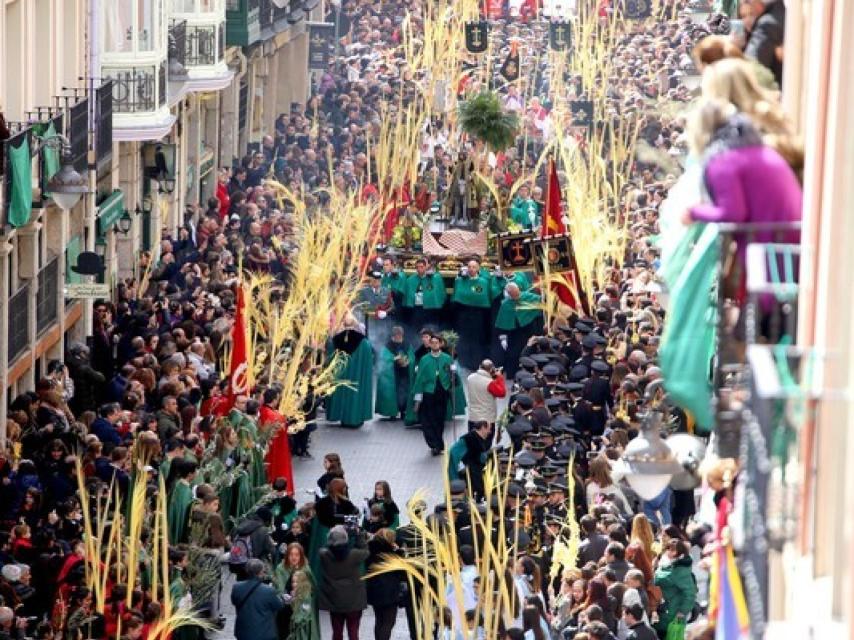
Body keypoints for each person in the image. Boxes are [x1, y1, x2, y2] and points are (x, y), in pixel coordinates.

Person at [318, 526, 369, 640]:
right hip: (354, 601)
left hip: (335, 601)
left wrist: (334, 534)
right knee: (353, 632)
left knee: (337, 632)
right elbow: (366, 551)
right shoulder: (355, 555)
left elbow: (325, 547)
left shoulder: (324, 555)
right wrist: (358, 535)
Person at [326, 315, 374, 428]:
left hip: (341, 375)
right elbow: (368, 362)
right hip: (356, 378)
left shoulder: (336, 340)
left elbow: (330, 358)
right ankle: (355, 419)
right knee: (355, 394)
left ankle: (342, 417)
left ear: (344, 325)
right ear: (355, 325)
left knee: (342, 391)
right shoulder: (363, 342)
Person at [412, 333, 455, 455]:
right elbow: (419, 379)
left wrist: (453, 374)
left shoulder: (447, 358)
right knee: (427, 420)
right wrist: (418, 396)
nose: (435, 344)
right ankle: (434, 444)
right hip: (428, 392)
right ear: (430, 344)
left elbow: (452, 375)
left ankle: (438, 443)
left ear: (441, 344)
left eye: (437, 342)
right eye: (433, 342)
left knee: (439, 419)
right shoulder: (424, 360)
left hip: (442, 391)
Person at [451, 259, 494, 369]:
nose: (471, 269)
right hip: (464, 314)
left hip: (478, 315)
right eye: (469, 267)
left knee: (477, 338)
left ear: (478, 269)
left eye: (474, 267)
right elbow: (457, 296)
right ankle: (464, 362)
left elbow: (486, 297)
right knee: (464, 338)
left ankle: (476, 363)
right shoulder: (460, 281)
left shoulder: (484, 282)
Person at [494, 283, 543, 377]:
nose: (516, 296)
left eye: (517, 293)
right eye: (513, 294)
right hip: (514, 333)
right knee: (513, 354)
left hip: (529, 330)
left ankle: (533, 372)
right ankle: (514, 373)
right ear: (509, 293)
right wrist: (503, 338)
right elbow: (502, 323)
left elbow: (540, 300)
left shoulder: (528, 296)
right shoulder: (505, 304)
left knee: (531, 350)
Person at [365, 529, 404, 640]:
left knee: (379, 620)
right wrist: (400, 552)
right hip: (390, 591)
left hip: (374, 589)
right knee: (388, 622)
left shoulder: (370, 550)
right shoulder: (392, 554)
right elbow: (401, 572)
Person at [231, 558, 285, 640]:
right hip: (263, 634)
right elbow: (279, 606)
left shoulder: (236, 587)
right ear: (260, 573)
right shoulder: (268, 591)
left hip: (242, 632)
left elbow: (234, 601)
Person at [653, 540, 697, 637]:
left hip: (671, 613)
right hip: (661, 610)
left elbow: (690, 593)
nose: (669, 551)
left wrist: (682, 611)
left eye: (672, 550)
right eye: (668, 548)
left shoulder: (680, 569)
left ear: (680, 553)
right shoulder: (664, 563)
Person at [374, 326, 416, 423]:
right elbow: (383, 360)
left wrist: (408, 361)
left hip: (404, 373)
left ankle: (403, 411)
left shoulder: (407, 344)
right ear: (393, 335)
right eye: (397, 335)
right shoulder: (388, 346)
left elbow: (412, 357)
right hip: (393, 374)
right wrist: (393, 359)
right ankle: (392, 413)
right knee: (393, 393)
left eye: (400, 335)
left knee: (404, 392)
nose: (399, 337)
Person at [402, 258, 447, 335]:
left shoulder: (435, 278)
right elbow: (407, 296)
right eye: (417, 267)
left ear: (426, 267)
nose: (419, 269)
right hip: (417, 309)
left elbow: (440, 293)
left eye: (421, 267)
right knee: (416, 330)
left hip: (431, 309)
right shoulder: (410, 279)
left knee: (432, 330)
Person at [465, 359, 506, 441]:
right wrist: (499, 378)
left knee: (473, 443)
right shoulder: (490, 383)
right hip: (487, 420)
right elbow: (502, 393)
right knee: (485, 445)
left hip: (473, 417)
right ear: (491, 370)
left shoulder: (470, 378)